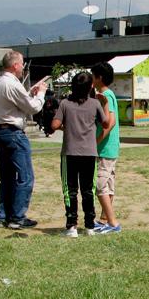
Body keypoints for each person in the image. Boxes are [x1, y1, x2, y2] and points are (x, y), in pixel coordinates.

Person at [0, 50, 47, 229]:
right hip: (14, 134)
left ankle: (2, 216)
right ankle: (17, 217)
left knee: (6, 177)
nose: (23, 67)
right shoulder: (12, 84)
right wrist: (41, 94)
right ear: (15, 65)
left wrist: (29, 92)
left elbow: (16, 103)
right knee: (25, 177)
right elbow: (32, 108)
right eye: (22, 63)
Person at [51, 72, 107, 237]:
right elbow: (105, 123)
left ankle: (71, 226)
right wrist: (104, 105)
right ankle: (90, 225)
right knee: (88, 189)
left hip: (70, 153)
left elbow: (54, 125)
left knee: (70, 190)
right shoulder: (95, 104)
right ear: (90, 87)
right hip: (90, 153)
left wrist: (66, 126)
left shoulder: (65, 104)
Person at [90, 62, 122, 234]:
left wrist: (96, 142)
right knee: (108, 184)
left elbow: (110, 123)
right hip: (109, 148)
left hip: (105, 148)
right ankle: (104, 220)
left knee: (100, 185)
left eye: (93, 76)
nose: (91, 79)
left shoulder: (105, 96)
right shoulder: (107, 94)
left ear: (99, 77)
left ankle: (112, 222)